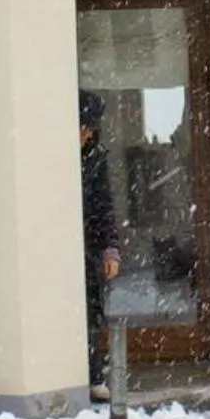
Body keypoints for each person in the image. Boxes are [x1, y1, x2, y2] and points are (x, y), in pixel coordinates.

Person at [79, 90, 122, 401]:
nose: (86, 134)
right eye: (82, 127)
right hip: (62, 245)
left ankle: (94, 375)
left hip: (88, 248)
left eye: (90, 129)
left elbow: (104, 208)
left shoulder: (95, 159)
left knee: (92, 310)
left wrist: (109, 248)